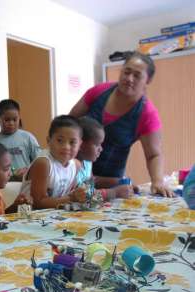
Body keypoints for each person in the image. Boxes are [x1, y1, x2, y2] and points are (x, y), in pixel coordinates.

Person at [69, 51, 173, 197]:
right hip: (75, 171)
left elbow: (154, 155)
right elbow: (69, 122)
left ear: (147, 80)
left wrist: (158, 181)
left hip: (108, 180)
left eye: (137, 75)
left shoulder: (147, 114)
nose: (129, 78)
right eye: (126, 72)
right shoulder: (98, 92)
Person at [21, 115, 87, 209]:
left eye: (72, 142)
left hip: (55, 217)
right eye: (60, 140)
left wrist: (81, 195)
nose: (66, 147)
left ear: (80, 144)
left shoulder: (76, 165)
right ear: (49, 141)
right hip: (30, 217)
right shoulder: (43, 163)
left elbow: (68, 196)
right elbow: (37, 203)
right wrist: (72, 198)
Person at [76, 116, 132, 200]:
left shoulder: (87, 162)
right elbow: (84, 197)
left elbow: (92, 182)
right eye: (97, 144)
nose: (101, 149)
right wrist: (115, 192)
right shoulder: (72, 166)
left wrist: (120, 182)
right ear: (81, 144)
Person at [0, 99, 41, 181]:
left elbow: (39, 161)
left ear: (19, 117)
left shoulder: (28, 137)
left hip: (24, 183)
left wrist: (29, 171)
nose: (11, 123)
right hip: (3, 185)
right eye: (7, 120)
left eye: (15, 119)